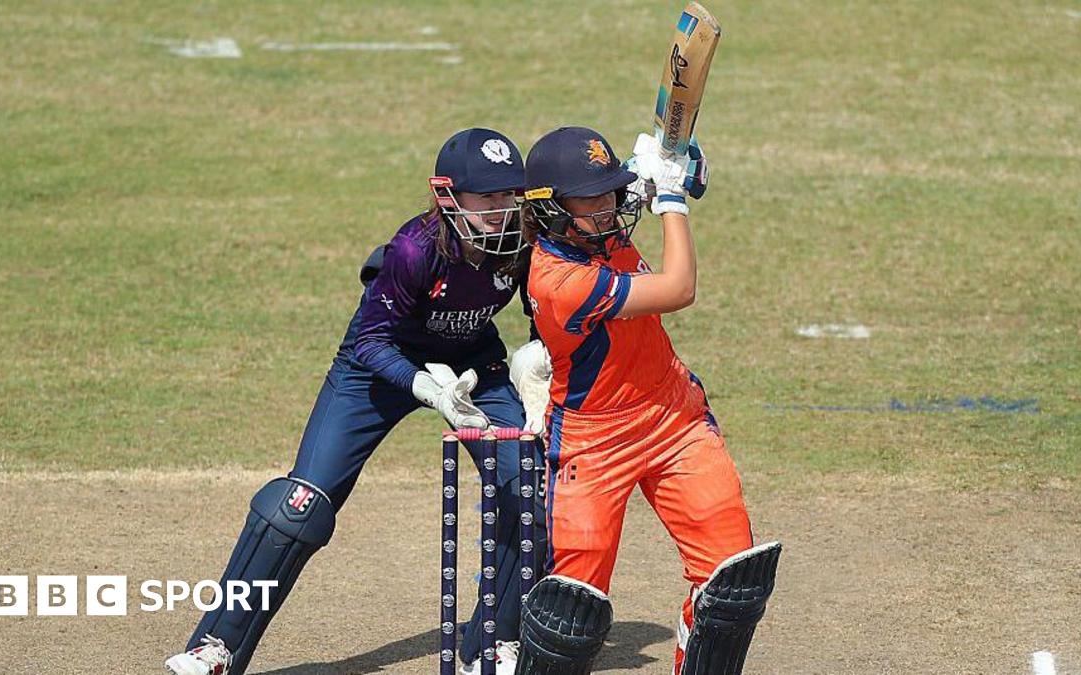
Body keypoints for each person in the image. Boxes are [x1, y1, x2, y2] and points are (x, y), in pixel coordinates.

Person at [163, 128, 545, 675]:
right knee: (296, 508)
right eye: (487, 199)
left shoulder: (525, 240)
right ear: (448, 196)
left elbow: (553, 298)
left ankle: (494, 645)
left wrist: (536, 365)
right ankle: (215, 647)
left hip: (472, 367)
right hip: (378, 367)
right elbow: (370, 341)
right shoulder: (414, 250)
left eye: (510, 196)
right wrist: (425, 388)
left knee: (528, 486)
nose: (501, 211)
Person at [509, 127, 782, 675]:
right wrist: (672, 199)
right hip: (593, 439)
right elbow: (679, 288)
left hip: (674, 420)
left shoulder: (593, 223)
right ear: (550, 210)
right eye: (592, 198)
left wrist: (678, 163)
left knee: (731, 585)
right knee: (571, 614)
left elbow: (663, 180)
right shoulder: (559, 278)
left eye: (612, 192)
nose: (609, 208)